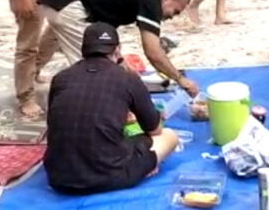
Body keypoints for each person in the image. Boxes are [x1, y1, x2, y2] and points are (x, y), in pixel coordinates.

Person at [45, 22, 179, 194]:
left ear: (84, 49)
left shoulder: (60, 78)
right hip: (110, 176)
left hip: (59, 177)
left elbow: (57, 122)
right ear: (117, 50)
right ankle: (146, 166)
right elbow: (155, 129)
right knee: (169, 136)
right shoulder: (127, 79)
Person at [36, 0, 200, 97]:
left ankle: (30, 77)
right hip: (68, 4)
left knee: (50, 43)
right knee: (92, 63)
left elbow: (105, 36)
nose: (172, 17)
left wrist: (122, 64)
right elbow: (153, 52)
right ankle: (92, 108)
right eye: (176, 11)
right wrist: (180, 79)